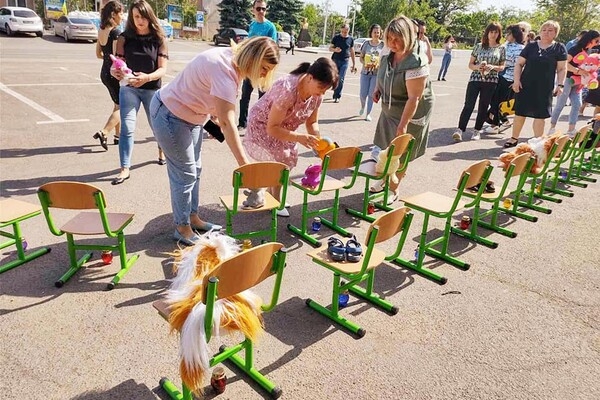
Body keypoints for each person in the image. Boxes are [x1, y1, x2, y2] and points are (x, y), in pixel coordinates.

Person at [151, 37, 280, 245]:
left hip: (193, 117)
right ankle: (182, 228)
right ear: (253, 59)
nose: (264, 74)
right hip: (170, 114)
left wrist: (213, 119)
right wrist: (245, 166)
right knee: (185, 174)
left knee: (195, 170)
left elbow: (209, 95)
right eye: (264, 68)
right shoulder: (224, 69)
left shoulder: (234, 64)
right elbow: (228, 123)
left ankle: (193, 218)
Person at [243, 58, 339, 217]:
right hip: (263, 125)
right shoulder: (287, 90)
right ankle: (276, 201)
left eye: (326, 90)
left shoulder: (316, 95)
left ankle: (272, 196)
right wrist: (299, 137)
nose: (322, 93)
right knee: (281, 160)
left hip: (285, 128)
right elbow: (272, 128)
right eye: (321, 87)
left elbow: (312, 122)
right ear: (310, 77)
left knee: (286, 161)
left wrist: (317, 141)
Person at [371, 15, 434, 199]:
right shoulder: (387, 51)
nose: (393, 43)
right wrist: (378, 88)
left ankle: (393, 188)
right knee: (387, 146)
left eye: (397, 39)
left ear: (407, 37)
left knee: (401, 150)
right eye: (389, 38)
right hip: (392, 106)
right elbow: (382, 72)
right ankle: (385, 177)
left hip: (412, 109)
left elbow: (414, 98)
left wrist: (403, 124)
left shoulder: (416, 61)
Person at [110, 0, 168, 185]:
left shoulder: (159, 39)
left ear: (149, 17)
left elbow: (163, 69)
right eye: (136, 17)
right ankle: (124, 168)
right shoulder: (124, 38)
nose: (140, 21)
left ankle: (161, 151)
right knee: (127, 128)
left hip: (152, 89)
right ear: (131, 17)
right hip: (129, 88)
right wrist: (114, 71)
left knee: (157, 127)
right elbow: (117, 64)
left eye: (143, 17)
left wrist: (147, 77)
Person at [503, 20, 567, 148]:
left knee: (540, 116)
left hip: (545, 87)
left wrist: (560, 85)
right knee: (520, 113)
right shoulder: (531, 46)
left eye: (550, 30)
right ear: (540, 31)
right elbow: (519, 64)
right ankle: (514, 138)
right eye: (544, 30)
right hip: (525, 85)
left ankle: (538, 143)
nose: (546, 32)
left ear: (555, 33)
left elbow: (562, 69)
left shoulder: (559, 48)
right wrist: (516, 81)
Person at [452, 22, 505, 142]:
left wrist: (493, 67)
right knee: (469, 104)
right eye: (491, 32)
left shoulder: (501, 48)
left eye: (496, 32)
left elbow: (502, 66)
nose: (493, 34)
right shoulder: (479, 46)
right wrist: (478, 67)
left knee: (483, 106)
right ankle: (460, 129)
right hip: (475, 78)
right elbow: (470, 64)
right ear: (487, 33)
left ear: (499, 34)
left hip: (491, 80)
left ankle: (477, 130)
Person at [547, 30, 600, 136]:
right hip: (567, 79)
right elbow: (564, 63)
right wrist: (578, 71)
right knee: (560, 103)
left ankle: (571, 129)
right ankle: (552, 128)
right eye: (596, 41)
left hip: (579, 81)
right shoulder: (575, 48)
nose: (597, 43)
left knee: (577, 104)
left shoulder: (589, 51)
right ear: (590, 39)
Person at [237, 0, 277, 130]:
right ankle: (242, 123)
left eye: (263, 9)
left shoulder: (270, 27)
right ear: (253, 9)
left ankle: (260, 125)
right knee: (245, 96)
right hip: (250, 67)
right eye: (258, 8)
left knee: (263, 98)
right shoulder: (252, 25)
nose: (261, 11)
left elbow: (272, 48)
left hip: (262, 69)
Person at [483, 24, 525, 134]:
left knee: (498, 101)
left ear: (514, 34)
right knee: (493, 99)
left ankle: (495, 125)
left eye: (508, 33)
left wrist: (516, 80)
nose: (506, 35)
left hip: (509, 78)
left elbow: (519, 65)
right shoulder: (505, 45)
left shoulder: (520, 48)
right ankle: (503, 121)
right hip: (499, 75)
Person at [93, 0, 123, 150]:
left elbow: (98, 54)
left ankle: (117, 136)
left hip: (104, 72)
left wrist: (107, 59)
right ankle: (104, 132)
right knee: (122, 107)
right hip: (114, 74)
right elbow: (117, 59)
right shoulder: (115, 33)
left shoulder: (102, 30)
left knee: (117, 104)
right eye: (121, 13)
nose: (122, 17)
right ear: (113, 15)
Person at [358, 24, 384, 121]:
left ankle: (368, 114)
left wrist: (379, 65)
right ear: (371, 33)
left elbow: (385, 59)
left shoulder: (383, 45)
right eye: (374, 32)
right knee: (362, 94)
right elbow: (361, 57)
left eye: (378, 32)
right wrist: (365, 63)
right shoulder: (366, 44)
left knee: (371, 94)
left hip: (376, 74)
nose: (376, 34)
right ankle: (362, 106)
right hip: (365, 72)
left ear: (380, 33)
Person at [329, 24, 356, 103]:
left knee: (341, 78)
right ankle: (334, 89)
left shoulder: (350, 39)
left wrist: (354, 64)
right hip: (335, 60)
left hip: (345, 60)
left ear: (348, 31)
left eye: (346, 32)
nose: (344, 33)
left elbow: (352, 51)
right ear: (341, 30)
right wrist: (335, 50)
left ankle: (337, 96)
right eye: (343, 31)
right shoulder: (336, 38)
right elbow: (330, 48)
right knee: (334, 78)